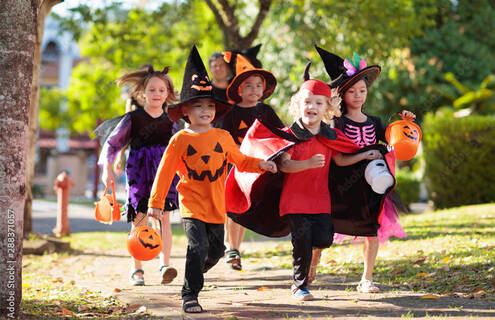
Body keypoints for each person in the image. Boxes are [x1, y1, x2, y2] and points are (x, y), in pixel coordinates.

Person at [147, 45, 277, 313]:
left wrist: (262, 165)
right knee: (198, 246)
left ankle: (192, 273)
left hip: (218, 207)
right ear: (185, 111)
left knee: (215, 252)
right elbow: (165, 171)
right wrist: (155, 203)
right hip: (192, 205)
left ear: (216, 111)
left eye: (209, 106)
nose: (205, 111)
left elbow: (240, 161)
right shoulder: (181, 139)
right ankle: (190, 294)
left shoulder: (222, 138)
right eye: (197, 106)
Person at [309, 45, 415, 293]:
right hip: (341, 185)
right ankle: (311, 265)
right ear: (342, 94)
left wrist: (405, 123)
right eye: (352, 91)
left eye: (362, 90)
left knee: (372, 229)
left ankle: (366, 278)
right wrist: (362, 154)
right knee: (325, 229)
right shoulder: (337, 122)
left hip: (371, 186)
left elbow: (394, 143)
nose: (358, 95)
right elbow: (335, 155)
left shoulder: (376, 122)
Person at [277, 79, 382, 300]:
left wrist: (364, 155)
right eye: (307, 102)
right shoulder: (290, 134)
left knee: (324, 239)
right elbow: (285, 164)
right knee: (302, 242)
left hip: (320, 200)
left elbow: (341, 160)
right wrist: (306, 164)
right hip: (295, 201)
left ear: (327, 109)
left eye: (318, 103)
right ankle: (299, 285)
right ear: (298, 105)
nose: (312, 107)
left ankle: (307, 263)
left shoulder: (329, 137)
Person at [96, 65, 180, 286]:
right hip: (138, 172)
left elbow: (181, 149)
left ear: (168, 94)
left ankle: (165, 264)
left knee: (164, 219)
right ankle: (137, 269)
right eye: (152, 90)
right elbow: (113, 144)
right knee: (139, 219)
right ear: (143, 92)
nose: (157, 94)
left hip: (164, 174)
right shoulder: (133, 119)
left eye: (162, 90)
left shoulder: (172, 122)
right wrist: (107, 169)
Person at [218, 53, 284, 270]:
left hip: (257, 167)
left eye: (258, 86)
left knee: (244, 208)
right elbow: (223, 139)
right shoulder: (231, 114)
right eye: (249, 86)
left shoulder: (266, 111)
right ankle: (232, 247)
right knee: (233, 207)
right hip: (235, 166)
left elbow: (279, 134)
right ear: (239, 90)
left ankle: (234, 247)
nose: (254, 90)